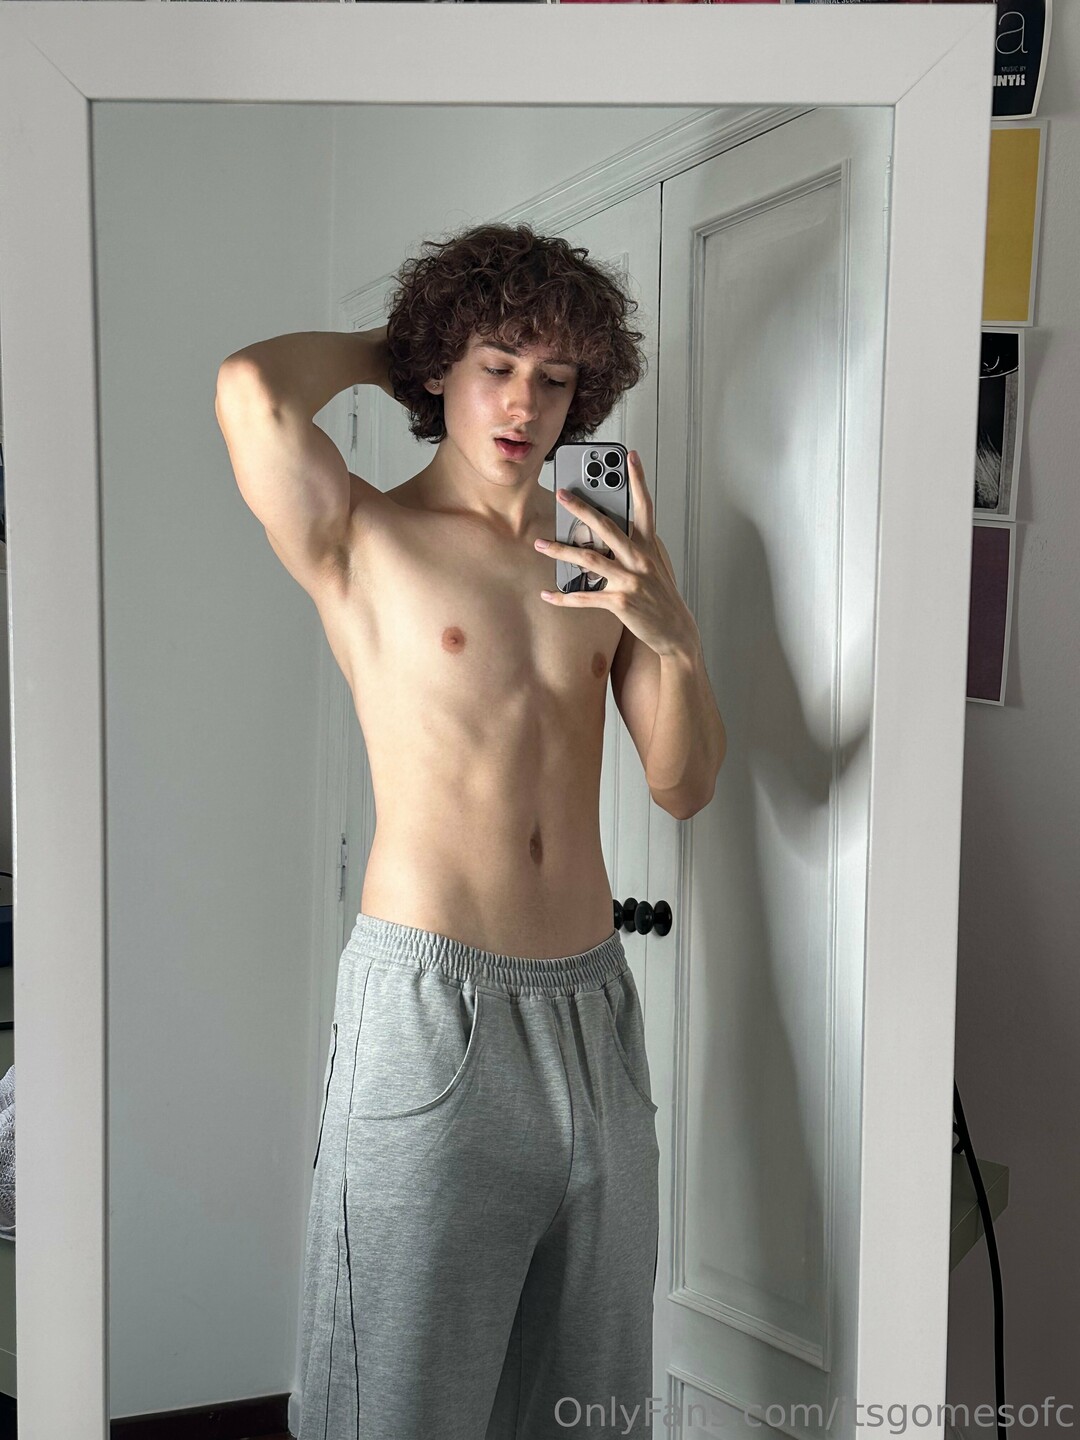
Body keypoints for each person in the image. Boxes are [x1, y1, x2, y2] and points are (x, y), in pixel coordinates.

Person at [214, 221, 725, 1439]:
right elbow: (250, 389)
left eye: (555, 378)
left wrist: (671, 634)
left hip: (592, 1015)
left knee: (588, 1401)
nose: (524, 405)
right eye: (496, 365)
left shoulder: (602, 558)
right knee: (397, 1402)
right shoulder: (366, 536)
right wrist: (409, 344)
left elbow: (684, 785)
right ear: (442, 366)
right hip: (430, 1011)